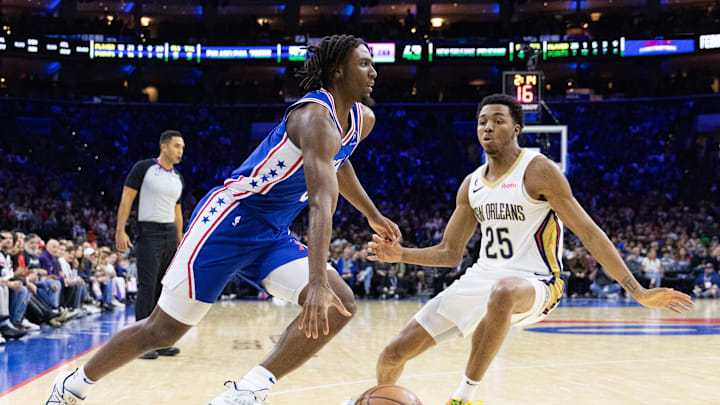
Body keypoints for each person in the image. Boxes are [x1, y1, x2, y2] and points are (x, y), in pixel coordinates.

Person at [46, 34, 400, 405]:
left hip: (271, 232)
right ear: (338, 71)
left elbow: (336, 164)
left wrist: (372, 215)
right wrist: (315, 279)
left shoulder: (363, 120)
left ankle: (248, 391)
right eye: (364, 64)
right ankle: (72, 387)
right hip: (228, 221)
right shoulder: (312, 117)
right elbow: (321, 201)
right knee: (162, 331)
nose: (373, 72)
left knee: (338, 302)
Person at [355, 94, 694, 405]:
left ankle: (464, 398)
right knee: (392, 354)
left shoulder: (538, 169)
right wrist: (401, 255)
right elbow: (449, 253)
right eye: (483, 121)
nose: (488, 126)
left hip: (538, 282)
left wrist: (637, 290)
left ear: (516, 128)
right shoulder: (471, 184)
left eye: (498, 120)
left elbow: (589, 233)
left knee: (503, 291)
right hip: (481, 279)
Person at [116, 129, 185, 359]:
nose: (180, 151)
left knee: (164, 289)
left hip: (168, 234)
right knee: (147, 287)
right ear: (164, 146)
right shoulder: (143, 168)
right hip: (148, 232)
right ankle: (141, 343)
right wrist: (120, 230)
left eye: (182, 147)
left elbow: (177, 211)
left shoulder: (178, 177)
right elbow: (127, 199)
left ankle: (160, 340)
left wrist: (180, 237)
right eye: (177, 146)